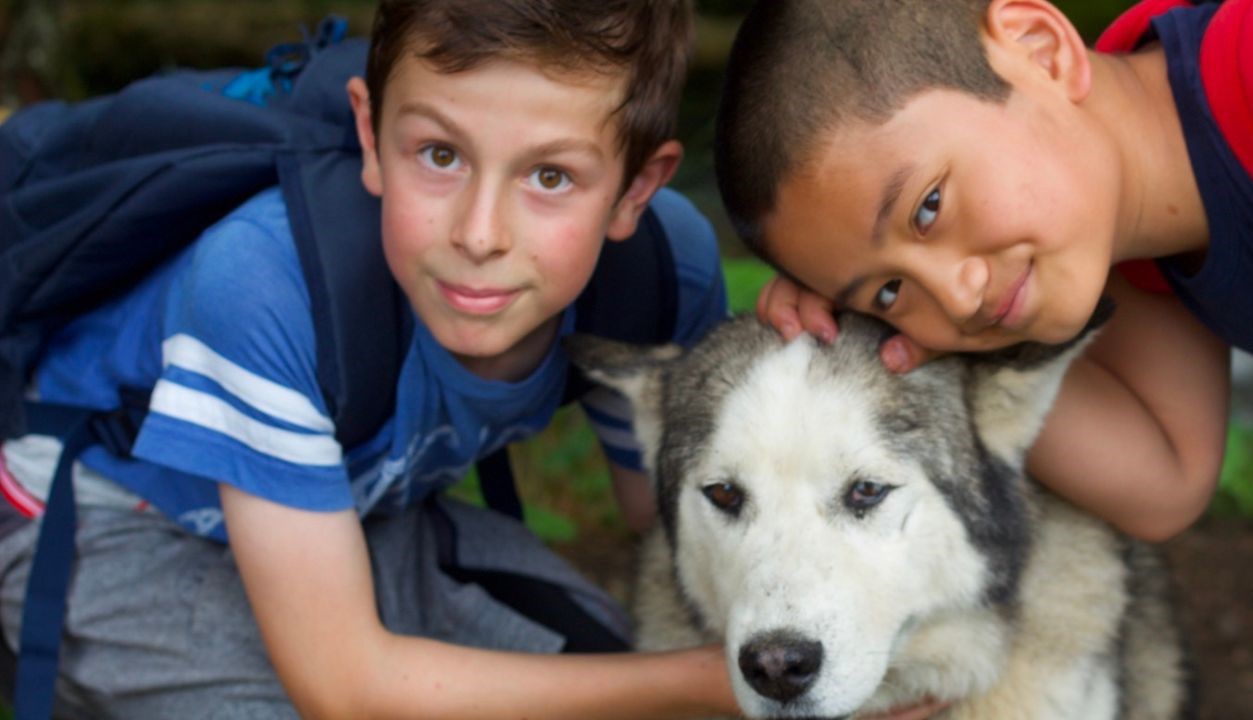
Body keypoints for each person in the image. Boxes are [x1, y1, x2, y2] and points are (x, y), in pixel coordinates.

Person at [715, 0, 1253, 718]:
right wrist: (886, 349)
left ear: (1040, 50)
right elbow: (1164, 480)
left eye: (928, 208)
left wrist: (883, 293)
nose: (954, 297)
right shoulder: (1129, 241)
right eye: (889, 290)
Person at [0, 0, 749, 716]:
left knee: (609, 661)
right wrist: (715, 682)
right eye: (440, 153)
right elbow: (347, 690)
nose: (480, 235)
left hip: (345, 517)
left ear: (637, 187)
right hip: (104, 526)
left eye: (550, 176)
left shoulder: (661, 274)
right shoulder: (265, 284)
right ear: (370, 133)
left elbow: (669, 521)